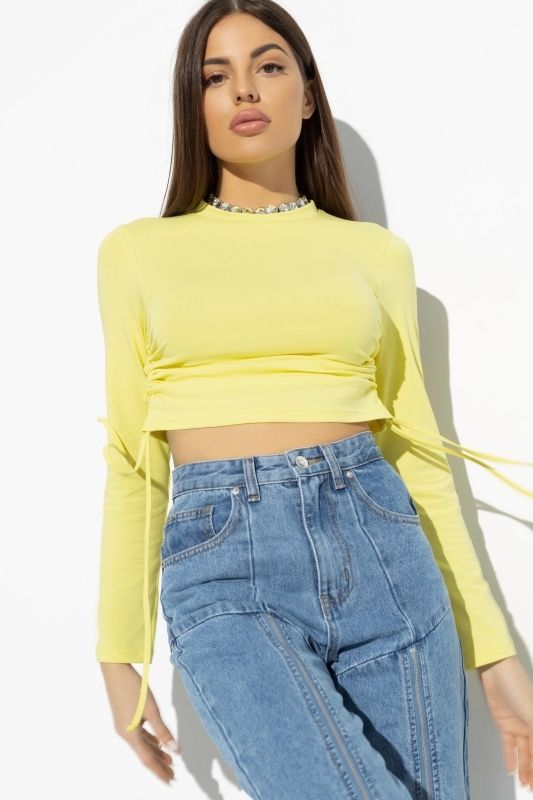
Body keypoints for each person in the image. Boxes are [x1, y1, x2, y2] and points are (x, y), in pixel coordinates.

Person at [95, 1, 533, 796]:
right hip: (224, 567)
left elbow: (418, 454)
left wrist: (494, 655)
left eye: (268, 66)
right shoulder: (137, 253)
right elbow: (133, 460)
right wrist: (119, 652)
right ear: (192, 105)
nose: (244, 90)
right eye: (215, 76)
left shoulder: (375, 255)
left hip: (382, 549)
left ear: (306, 94)